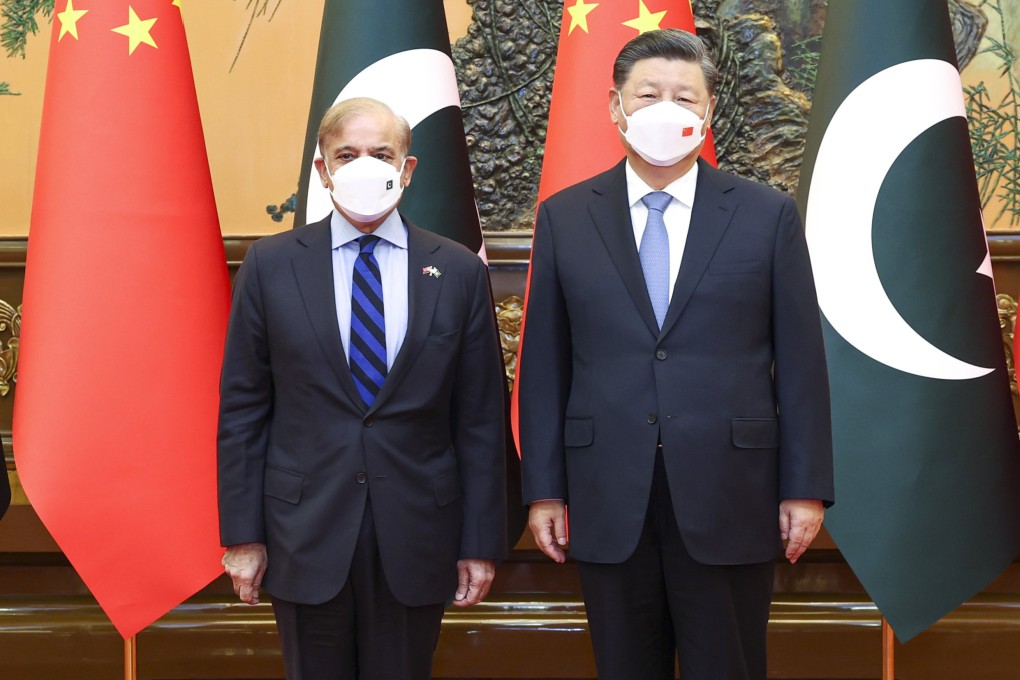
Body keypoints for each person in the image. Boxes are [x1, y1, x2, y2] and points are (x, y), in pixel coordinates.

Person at [518, 29, 834, 680]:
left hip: (732, 491)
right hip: (607, 491)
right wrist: (544, 491)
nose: (667, 108)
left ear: (708, 110)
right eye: (649, 94)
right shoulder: (565, 217)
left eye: (685, 97)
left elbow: (802, 363)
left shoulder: (766, 215)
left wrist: (805, 489)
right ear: (615, 106)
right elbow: (545, 366)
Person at [217, 97, 507, 680]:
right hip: (303, 532)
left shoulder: (457, 270)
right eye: (347, 155)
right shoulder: (270, 266)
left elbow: (480, 419)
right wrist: (243, 537)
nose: (364, 167)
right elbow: (243, 411)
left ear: (407, 168)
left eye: (381, 153)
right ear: (322, 170)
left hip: (418, 532)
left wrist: (479, 542)